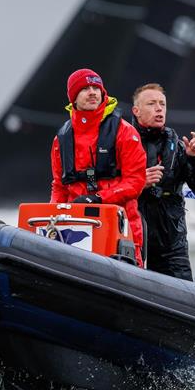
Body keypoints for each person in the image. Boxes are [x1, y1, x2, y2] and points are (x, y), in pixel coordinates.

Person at [50, 68, 147, 265]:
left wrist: (98, 198)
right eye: (85, 88)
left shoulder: (124, 132)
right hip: (75, 228)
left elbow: (135, 182)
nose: (93, 92)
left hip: (119, 227)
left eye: (96, 88)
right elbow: (59, 186)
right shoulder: (62, 139)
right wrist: (50, 216)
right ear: (73, 97)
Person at [131, 83, 195, 280]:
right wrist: (139, 182)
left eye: (162, 104)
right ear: (136, 111)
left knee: (182, 290)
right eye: (151, 104)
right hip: (132, 239)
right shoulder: (123, 144)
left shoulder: (178, 148)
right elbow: (107, 188)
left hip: (171, 244)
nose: (158, 108)